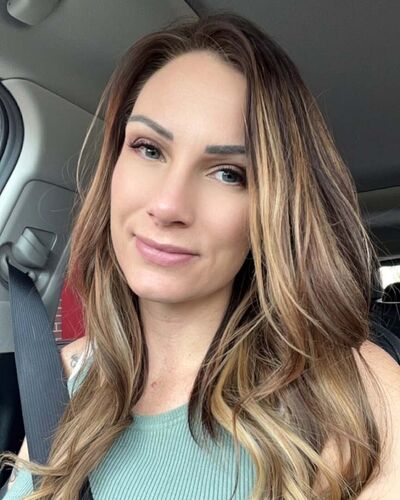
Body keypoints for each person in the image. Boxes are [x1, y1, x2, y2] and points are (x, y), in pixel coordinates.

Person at [1, 10, 399, 500]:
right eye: (149, 148)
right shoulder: (60, 374)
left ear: (272, 211)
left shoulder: (357, 391)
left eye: (229, 173)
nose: (168, 205)